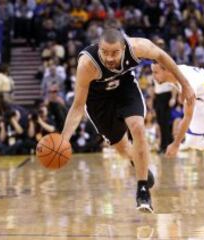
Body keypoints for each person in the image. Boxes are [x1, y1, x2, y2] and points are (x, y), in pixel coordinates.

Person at [61, 28, 195, 213]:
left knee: (138, 127)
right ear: (98, 47)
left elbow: (162, 56)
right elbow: (77, 106)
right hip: (98, 102)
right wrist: (63, 139)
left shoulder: (138, 46)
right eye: (104, 52)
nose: (109, 58)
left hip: (125, 88)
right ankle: (137, 162)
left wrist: (185, 84)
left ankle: (142, 190)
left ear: (124, 48)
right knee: (123, 149)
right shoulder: (87, 64)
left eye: (114, 53)